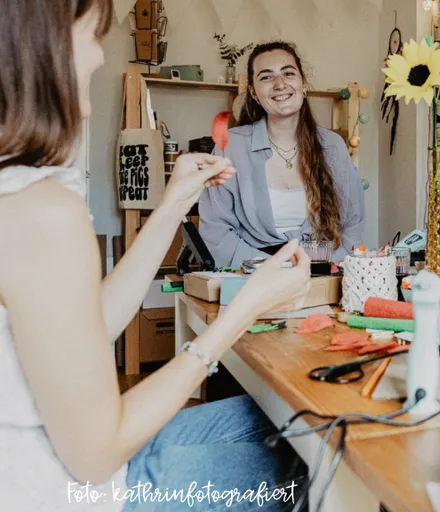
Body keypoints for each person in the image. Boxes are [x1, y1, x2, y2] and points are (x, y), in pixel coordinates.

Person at [0, 1, 313, 510]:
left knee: (297, 420)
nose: (100, 57)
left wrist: (171, 205)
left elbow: (88, 325)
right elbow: (96, 456)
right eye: (93, 34)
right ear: (42, 46)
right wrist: (240, 312)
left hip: (52, 459)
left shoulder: (16, 190)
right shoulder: (43, 213)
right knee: (317, 457)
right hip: (72, 490)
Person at [200, 41, 366, 268]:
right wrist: (275, 271)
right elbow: (216, 234)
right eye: (266, 77)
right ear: (254, 94)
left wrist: (324, 270)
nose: (279, 84)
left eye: (288, 73)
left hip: (322, 277)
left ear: (303, 84)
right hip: (251, 280)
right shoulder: (229, 148)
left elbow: (353, 225)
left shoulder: (333, 146)